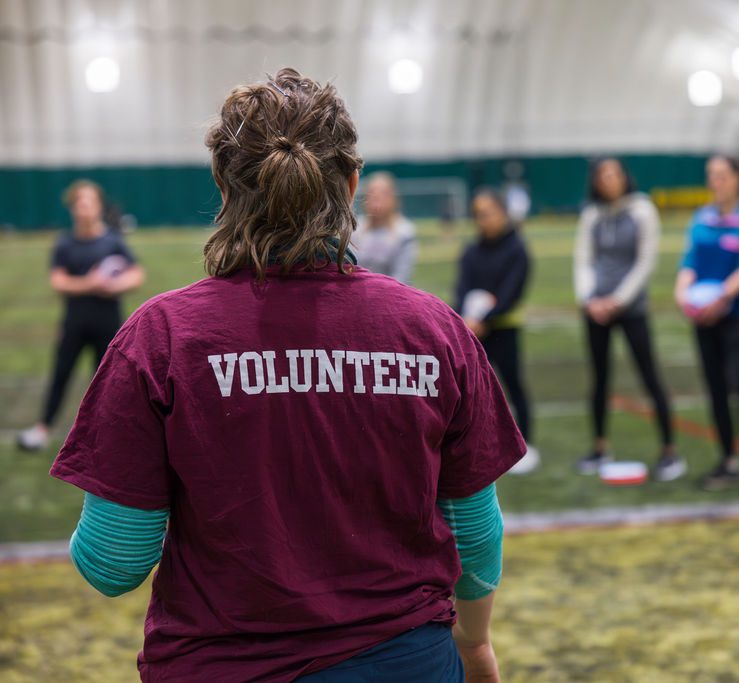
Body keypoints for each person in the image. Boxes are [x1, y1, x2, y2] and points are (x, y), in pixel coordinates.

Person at [49, 68, 523, 682]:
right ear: (352, 185)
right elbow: (476, 542)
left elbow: (113, 562)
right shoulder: (435, 330)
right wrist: (476, 646)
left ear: (224, 186)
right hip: (407, 664)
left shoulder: (161, 336)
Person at [674, 155, 739, 498]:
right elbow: (690, 261)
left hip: (738, 317)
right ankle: (728, 459)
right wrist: (682, 294)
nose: (715, 181)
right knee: (716, 389)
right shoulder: (701, 218)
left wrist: (718, 299)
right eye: (711, 175)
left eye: (721, 175)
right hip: (703, 318)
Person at [574, 157, 684, 482]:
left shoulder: (642, 210)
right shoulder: (591, 214)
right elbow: (583, 259)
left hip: (631, 309)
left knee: (650, 376)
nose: (609, 179)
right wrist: (589, 299)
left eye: (614, 173)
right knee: (599, 380)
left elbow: (645, 261)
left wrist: (617, 301)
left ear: (625, 177)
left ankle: (669, 451)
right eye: (602, 175)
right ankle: (599, 447)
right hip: (595, 309)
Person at [16, 180, 145, 452]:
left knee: (107, 380)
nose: (85, 208)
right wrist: (91, 283)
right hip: (74, 323)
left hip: (108, 323)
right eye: (80, 203)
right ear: (73, 208)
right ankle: (43, 429)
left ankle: (106, 435)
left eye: (90, 202)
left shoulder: (113, 241)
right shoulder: (65, 243)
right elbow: (58, 282)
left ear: (98, 206)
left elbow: (136, 275)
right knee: (61, 374)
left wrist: (114, 285)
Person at [456, 189, 539, 474]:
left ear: (503, 214)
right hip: (472, 330)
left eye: (488, 213)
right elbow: (462, 287)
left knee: (513, 383)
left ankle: (526, 443)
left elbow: (511, 291)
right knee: (474, 389)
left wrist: (486, 317)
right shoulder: (471, 250)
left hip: (504, 328)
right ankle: (479, 445)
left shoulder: (517, 249)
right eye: (478, 214)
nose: (483, 220)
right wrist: (465, 319)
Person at [351, 172, 417, 284]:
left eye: (382, 193)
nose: (376, 198)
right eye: (371, 193)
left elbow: (401, 277)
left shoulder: (404, 232)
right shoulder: (355, 229)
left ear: (393, 198)